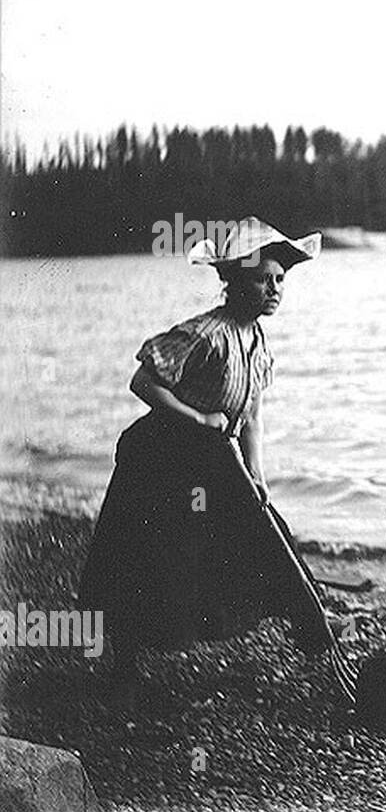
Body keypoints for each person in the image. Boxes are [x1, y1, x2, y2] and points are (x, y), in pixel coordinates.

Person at [78, 217, 333, 711]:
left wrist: (257, 474)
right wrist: (196, 416)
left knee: (256, 532)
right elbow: (144, 383)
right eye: (264, 279)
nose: (274, 289)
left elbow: (252, 412)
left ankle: (310, 619)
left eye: (281, 280)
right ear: (234, 281)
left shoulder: (258, 343)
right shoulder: (205, 333)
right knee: (147, 558)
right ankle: (125, 671)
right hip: (161, 459)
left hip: (214, 461)